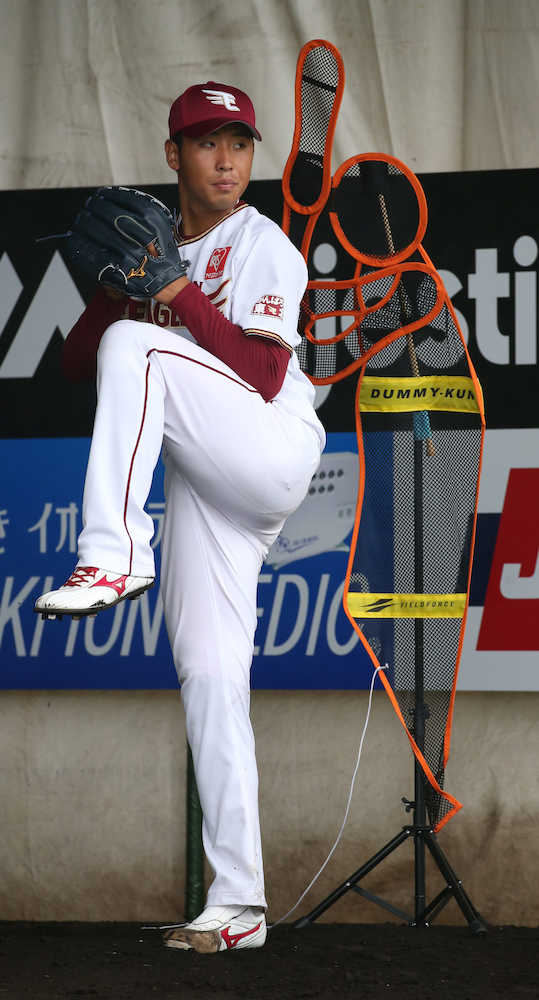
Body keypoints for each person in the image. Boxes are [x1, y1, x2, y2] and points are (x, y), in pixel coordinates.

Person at [35, 81, 325, 953]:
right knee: (207, 676)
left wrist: (171, 295)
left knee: (141, 348)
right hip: (208, 478)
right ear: (174, 156)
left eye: (239, 141)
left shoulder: (261, 242)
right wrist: (127, 286)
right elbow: (76, 364)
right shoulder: (159, 244)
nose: (228, 159)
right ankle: (237, 908)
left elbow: (264, 377)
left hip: (269, 447)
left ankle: (114, 551)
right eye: (206, 142)